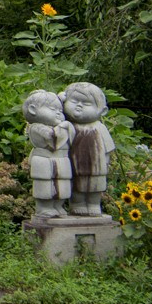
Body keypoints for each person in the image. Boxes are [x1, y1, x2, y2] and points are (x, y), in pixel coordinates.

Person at [61, 81, 115, 217]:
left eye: (86, 103)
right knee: (76, 186)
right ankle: (77, 204)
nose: (79, 105)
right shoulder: (67, 126)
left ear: (102, 110)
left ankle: (94, 204)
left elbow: (108, 147)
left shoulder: (99, 127)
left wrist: (106, 161)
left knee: (95, 187)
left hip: (97, 166)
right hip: (74, 165)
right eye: (74, 101)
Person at [22, 89, 72, 218]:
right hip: (44, 160)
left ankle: (58, 205)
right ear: (33, 110)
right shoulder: (36, 127)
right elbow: (53, 139)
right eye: (52, 109)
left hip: (61, 160)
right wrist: (64, 126)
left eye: (60, 111)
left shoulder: (57, 126)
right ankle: (44, 207)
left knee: (62, 184)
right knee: (45, 184)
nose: (58, 113)